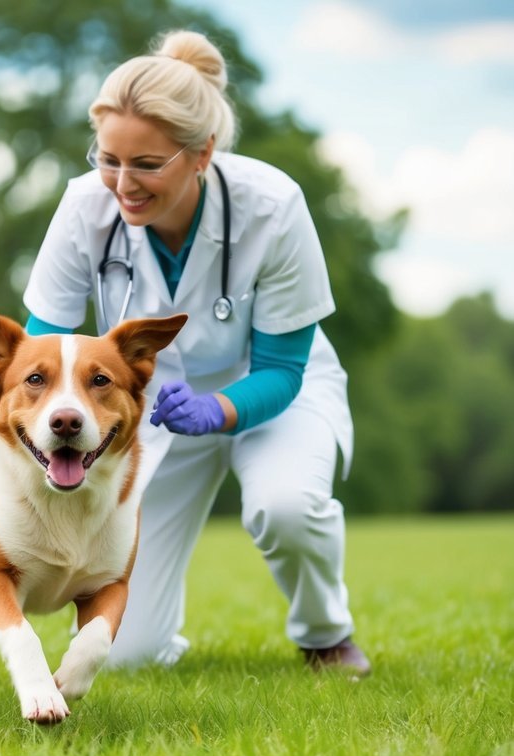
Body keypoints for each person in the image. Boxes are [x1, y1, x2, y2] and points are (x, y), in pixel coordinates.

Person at [22, 32, 371, 675]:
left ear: (202, 151)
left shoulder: (273, 206)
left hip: (270, 390)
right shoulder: (83, 206)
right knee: (125, 655)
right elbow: (36, 349)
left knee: (286, 506)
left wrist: (217, 409)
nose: (122, 185)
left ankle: (326, 634)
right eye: (108, 159)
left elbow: (282, 369)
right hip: (152, 410)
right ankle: (152, 640)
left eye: (147, 165)